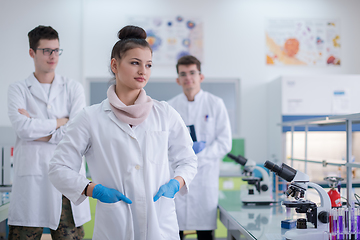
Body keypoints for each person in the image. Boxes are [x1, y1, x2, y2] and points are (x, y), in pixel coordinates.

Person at [48, 25, 198, 240]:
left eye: (148, 65)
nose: (143, 71)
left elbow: (188, 160)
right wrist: (92, 189)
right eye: (135, 63)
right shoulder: (90, 118)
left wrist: (177, 183)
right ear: (114, 65)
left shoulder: (165, 113)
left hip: (160, 224)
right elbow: (57, 168)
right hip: (115, 226)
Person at [7, 25, 90, 240]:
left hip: (67, 181)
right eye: (46, 50)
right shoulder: (18, 89)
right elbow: (23, 129)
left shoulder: (74, 88)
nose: (52, 56)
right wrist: (61, 122)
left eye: (56, 50)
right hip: (32, 183)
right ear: (32, 52)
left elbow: (77, 132)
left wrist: (36, 124)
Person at [168, 55, 232, 240]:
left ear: (201, 76)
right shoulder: (171, 107)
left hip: (205, 179)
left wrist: (197, 159)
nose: (188, 77)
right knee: (174, 230)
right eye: (183, 74)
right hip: (178, 178)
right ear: (178, 80)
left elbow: (224, 142)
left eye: (192, 72)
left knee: (205, 234)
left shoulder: (215, 104)